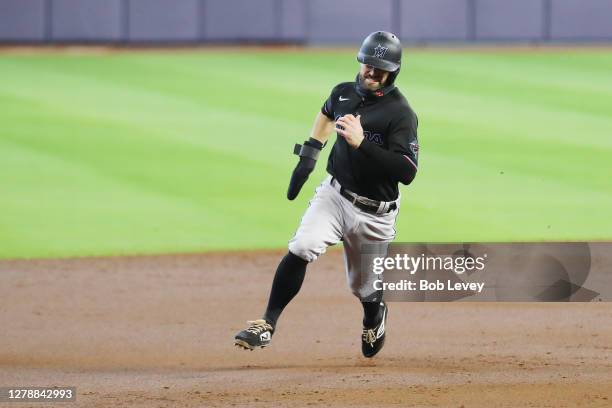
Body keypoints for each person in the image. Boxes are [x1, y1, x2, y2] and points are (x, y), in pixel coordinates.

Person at [234, 31, 419, 358]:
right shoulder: (344, 93)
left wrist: (363, 143)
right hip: (334, 196)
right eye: (367, 66)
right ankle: (267, 322)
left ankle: (375, 317)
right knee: (302, 245)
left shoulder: (400, 114)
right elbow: (326, 112)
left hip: (376, 214)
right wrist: (309, 157)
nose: (372, 74)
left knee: (364, 289)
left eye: (380, 69)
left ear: (393, 72)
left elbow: (407, 172)